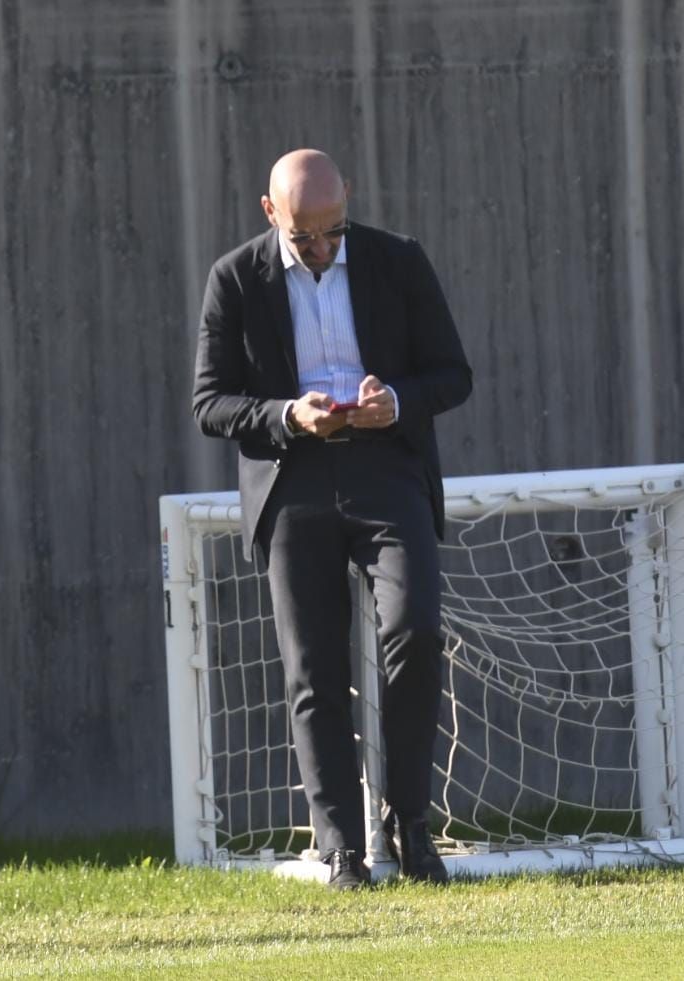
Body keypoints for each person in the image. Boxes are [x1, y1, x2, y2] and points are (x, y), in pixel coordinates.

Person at [192, 148, 472, 888]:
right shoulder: (233, 278)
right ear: (269, 212)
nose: (321, 249)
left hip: (388, 468)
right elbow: (209, 402)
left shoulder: (398, 260)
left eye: (333, 231)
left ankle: (410, 823)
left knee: (415, 627)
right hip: (293, 478)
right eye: (303, 237)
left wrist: (398, 400)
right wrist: (287, 413)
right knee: (312, 666)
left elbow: (454, 373)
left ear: (348, 199)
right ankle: (341, 844)